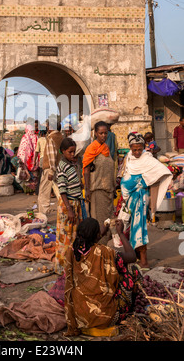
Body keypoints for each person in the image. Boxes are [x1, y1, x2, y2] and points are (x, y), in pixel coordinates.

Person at [64, 217, 141, 337]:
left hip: (80, 315)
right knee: (132, 269)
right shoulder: (104, 252)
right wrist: (121, 233)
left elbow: (89, 244)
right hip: (105, 317)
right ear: (96, 236)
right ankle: (130, 308)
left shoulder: (72, 250)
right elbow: (132, 256)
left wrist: (102, 231)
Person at [120, 132, 172, 268]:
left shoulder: (148, 159)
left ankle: (144, 261)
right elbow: (124, 174)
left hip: (140, 199)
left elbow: (161, 171)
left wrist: (144, 181)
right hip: (128, 199)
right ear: (130, 148)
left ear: (144, 146)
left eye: (139, 149)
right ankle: (135, 255)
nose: (137, 152)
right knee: (128, 228)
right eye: (134, 149)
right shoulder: (128, 157)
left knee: (140, 229)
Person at [82, 121, 115, 245]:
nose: (103, 136)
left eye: (105, 133)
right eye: (100, 133)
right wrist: (87, 189)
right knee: (100, 222)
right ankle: (99, 248)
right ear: (95, 133)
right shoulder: (92, 148)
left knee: (108, 220)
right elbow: (86, 169)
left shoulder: (106, 148)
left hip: (108, 190)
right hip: (98, 190)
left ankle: (105, 247)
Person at [55, 137, 83, 275]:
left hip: (76, 203)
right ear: (63, 151)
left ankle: (72, 265)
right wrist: (69, 209)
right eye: (70, 152)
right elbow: (62, 189)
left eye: (74, 152)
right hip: (68, 204)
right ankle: (63, 268)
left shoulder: (73, 164)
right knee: (65, 238)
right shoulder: (62, 166)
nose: (72, 155)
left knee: (74, 236)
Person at [37, 121, 64, 215]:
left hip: (50, 168)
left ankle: (42, 215)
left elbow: (52, 155)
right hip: (59, 167)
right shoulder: (61, 136)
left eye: (48, 125)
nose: (47, 127)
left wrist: (51, 171)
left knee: (44, 193)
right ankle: (65, 209)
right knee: (59, 191)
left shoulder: (51, 138)